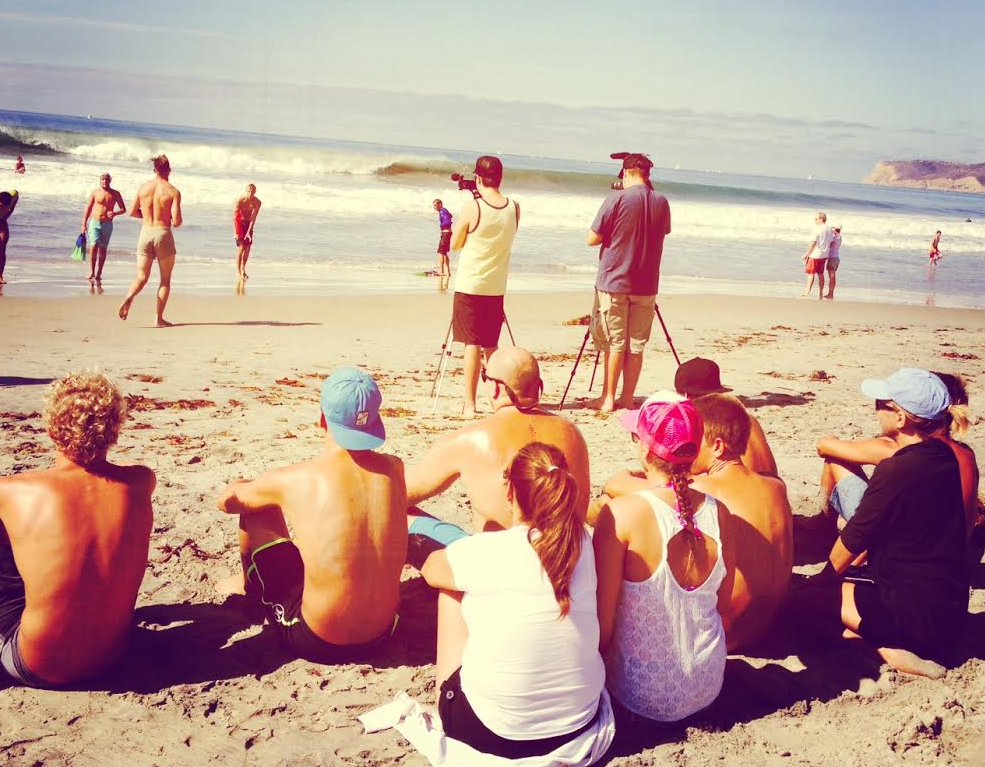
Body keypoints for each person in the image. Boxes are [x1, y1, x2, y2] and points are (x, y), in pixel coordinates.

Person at [417, 443, 614, 762]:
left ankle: (448, 690)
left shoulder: (487, 550)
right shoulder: (582, 544)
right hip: (577, 725)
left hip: (491, 732)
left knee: (451, 589)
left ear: (510, 492)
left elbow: (430, 569)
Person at [216, 368, 406, 663]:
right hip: (384, 634)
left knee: (257, 506)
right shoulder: (394, 467)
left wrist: (240, 485)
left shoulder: (298, 478)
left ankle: (248, 586)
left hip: (318, 640)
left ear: (322, 419)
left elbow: (228, 503)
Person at [804, 368, 969, 678]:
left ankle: (886, 648)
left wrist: (821, 580)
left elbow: (853, 540)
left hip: (913, 621)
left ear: (900, 418)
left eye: (881, 403)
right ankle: (877, 636)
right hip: (949, 611)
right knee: (845, 591)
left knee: (801, 603)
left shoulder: (896, 470)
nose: (876, 408)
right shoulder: (942, 458)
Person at [0, 373, 155, 687]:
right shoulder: (140, 481)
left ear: (50, 427)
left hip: (34, 664)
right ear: (115, 429)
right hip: (112, 657)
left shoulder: (12, 491)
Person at [593, 393, 735, 723]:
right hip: (706, 683)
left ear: (644, 449)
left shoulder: (622, 514)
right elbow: (723, 606)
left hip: (640, 693)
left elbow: (603, 626)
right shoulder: (720, 513)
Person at [406, 347, 591, 554]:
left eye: (484, 376)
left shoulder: (469, 439)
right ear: (537, 386)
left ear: (495, 387)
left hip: (498, 560)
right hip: (565, 558)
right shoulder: (573, 433)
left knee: (401, 516)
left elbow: (400, 495)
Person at [818, 370, 980, 536]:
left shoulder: (902, 449)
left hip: (895, 545)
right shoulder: (965, 453)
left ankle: (823, 528)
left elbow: (824, 446)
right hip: (954, 544)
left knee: (835, 460)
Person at [585, 153, 672, 412]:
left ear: (626, 173)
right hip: (646, 284)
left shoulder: (616, 199)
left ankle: (607, 398)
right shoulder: (662, 202)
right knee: (636, 345)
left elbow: (592, 238)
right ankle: (627, 397)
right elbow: (664, 231)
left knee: (614, 342)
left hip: (614, 281)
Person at [449, 155, 520, 417]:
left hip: (470, 284)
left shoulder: (473, 207)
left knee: (471, 343)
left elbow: (455, 244)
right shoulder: (514, 207)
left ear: (478, 178)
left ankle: (469, 403)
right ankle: (498, 399)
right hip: (496, 286)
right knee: (491, 345)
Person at [118, 155, 182, 327]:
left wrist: (147, 216)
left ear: (154, 170)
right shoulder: (173, 192)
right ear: (169, 170)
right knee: (165, 280)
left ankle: (130, 296)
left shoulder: (143, 188)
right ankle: (158, 319)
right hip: (163, 234)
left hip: (145, 233)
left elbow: (132, 212)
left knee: (141, 276)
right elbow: (177, 221)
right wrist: (167, 218)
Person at [81, 173, 127, 282]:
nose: (105, 182)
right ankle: (92, 271)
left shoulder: (115, 193)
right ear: (100, 180)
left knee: (103, 249)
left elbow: (123, 209)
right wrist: (83, 224)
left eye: (107, 180)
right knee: (93, 246)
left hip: (107, 224)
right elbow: (88, 208)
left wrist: (115, 213)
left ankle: (99, 273)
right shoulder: (95, 192)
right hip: (95, 222)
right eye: (103, 179)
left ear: (110, 181)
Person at [801, 211, 831, 299]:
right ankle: (821, 292)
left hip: (815, 255)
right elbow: (830, 241)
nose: (815, 221)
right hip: (824, 255)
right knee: (820, 273)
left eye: (816, 219)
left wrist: (806, 254)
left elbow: (813, 243)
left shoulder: (817, 229)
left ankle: (807, 292)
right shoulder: (829, 229)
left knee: (811, 273)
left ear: (821, 219)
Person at [234, 184, 261, 281]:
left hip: (249, 224)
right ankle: (238, 272)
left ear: (255, 192)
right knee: (241, 248)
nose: (251, 193)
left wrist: (249, 232)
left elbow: (253, 218)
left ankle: (243, 269)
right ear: (246, 191)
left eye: (253, 191)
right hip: (239, 224)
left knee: (248, 248)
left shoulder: (257, 202)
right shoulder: (240, 200)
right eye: (249, 191)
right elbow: (235, 217)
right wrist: (236, 232)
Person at [0, 189, 19, 284]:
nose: (1, 206)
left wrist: (9, 212)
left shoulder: (13, 195)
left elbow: (16, 194)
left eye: (3, 205)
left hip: (1, 222)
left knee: (1, 249)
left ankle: (0, 276)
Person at [433, 198, 453, 277]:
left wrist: (441, 226)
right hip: (447, 233)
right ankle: (447, 271)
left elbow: (447, 222)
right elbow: (450, 215)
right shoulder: (444, 211)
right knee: (444, 253)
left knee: (440, 252)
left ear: (440, 204)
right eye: (433, 206)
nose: (434, 207)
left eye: (435, 205)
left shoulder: (442, 211)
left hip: (446, 233)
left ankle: (441, 270)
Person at [825, 225, 842, 299]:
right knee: (832, 277)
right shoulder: (839, 237)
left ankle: (830, 294)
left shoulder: (835, 237)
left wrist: (831, 232)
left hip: (832, 258)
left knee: (831, 277)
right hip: (835, 258)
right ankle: (831, 293)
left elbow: (829, 244)